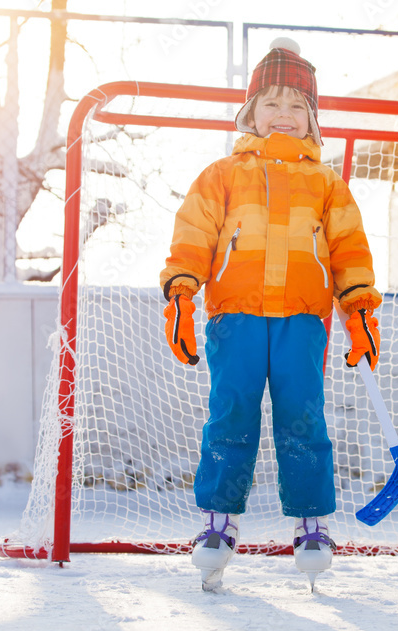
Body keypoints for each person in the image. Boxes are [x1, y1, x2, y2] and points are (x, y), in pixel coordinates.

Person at [159, 37, 382, 590]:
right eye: (271, 103)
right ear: (251, 113)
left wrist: (358, 308)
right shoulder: (222, 174)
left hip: (303, 321)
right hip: (234, 318)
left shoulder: (328, 184)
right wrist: (182, 293)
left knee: (303, 417)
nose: (283, 115)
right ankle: (218, 522)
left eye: (296, 106)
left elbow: (350, 249)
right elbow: (192, 236)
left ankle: (312, 524)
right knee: (230, 414)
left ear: (311, 120)